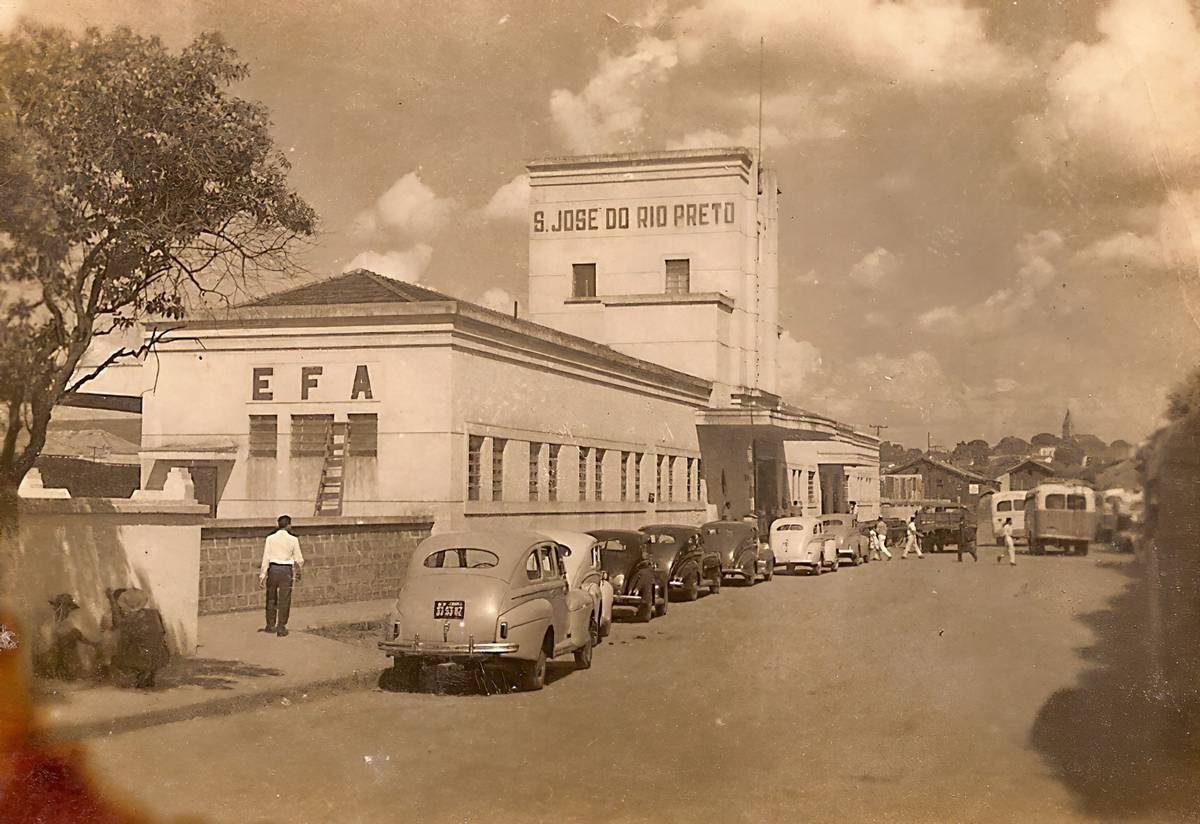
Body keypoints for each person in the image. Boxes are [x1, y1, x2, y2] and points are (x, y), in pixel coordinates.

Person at [111, 589, 170, 689]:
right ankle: (149, 674)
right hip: (160, 652)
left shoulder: (129, 620)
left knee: (127, 647)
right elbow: (163, 631)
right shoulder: (154, 613)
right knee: (147, 646)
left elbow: (126, 639)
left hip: (142, 654)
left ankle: (141, 674)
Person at [259, 514, 304, 637]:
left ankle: (270, 624)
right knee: (285, 599)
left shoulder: (270, 538)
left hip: (273, 569)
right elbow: (299, 559)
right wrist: (299, 571)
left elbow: (266, 558)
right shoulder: (293, 540)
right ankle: (281, 626)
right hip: (286, 570)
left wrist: (262, 575)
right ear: (289, 525)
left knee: (271, 597)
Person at [35, 594, 98, 680]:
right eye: (64, 607)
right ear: (56, 608)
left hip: (68, 663)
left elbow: (82, 639)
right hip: (53, 662)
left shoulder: (69, 624)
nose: (67, 610)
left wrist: (94, 645)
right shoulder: (48, 624)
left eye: (68, 607)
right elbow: (49, 646)